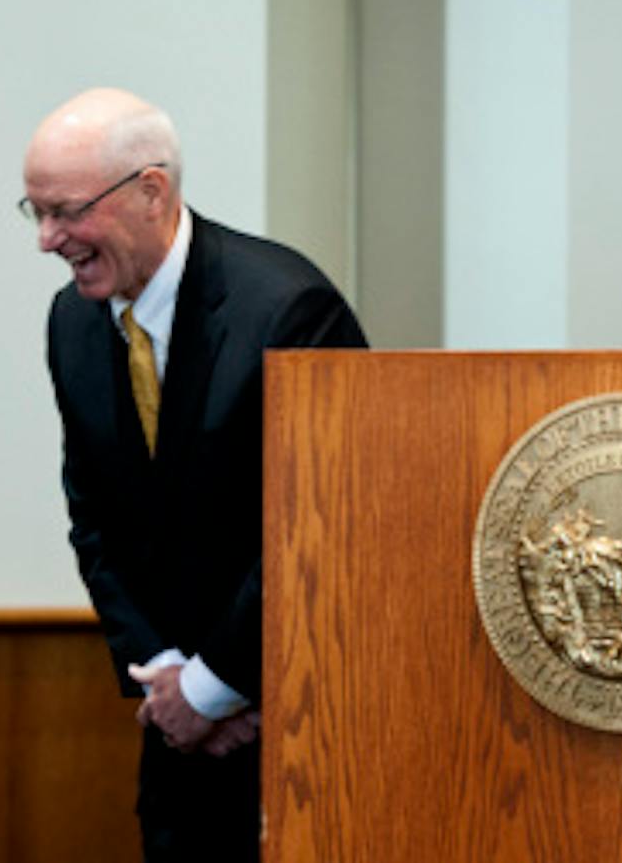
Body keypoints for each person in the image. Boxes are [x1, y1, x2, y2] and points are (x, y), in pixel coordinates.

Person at [25, 88, 366, 861]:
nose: (48, 239)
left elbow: (325, 529)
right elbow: (95, 520)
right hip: (177, 743)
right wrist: (169, 684)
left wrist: (217, 686)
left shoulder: (288, 310)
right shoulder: (71, 322)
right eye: (35, 211)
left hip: (300, 725)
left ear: (152, 191)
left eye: (67, 211)